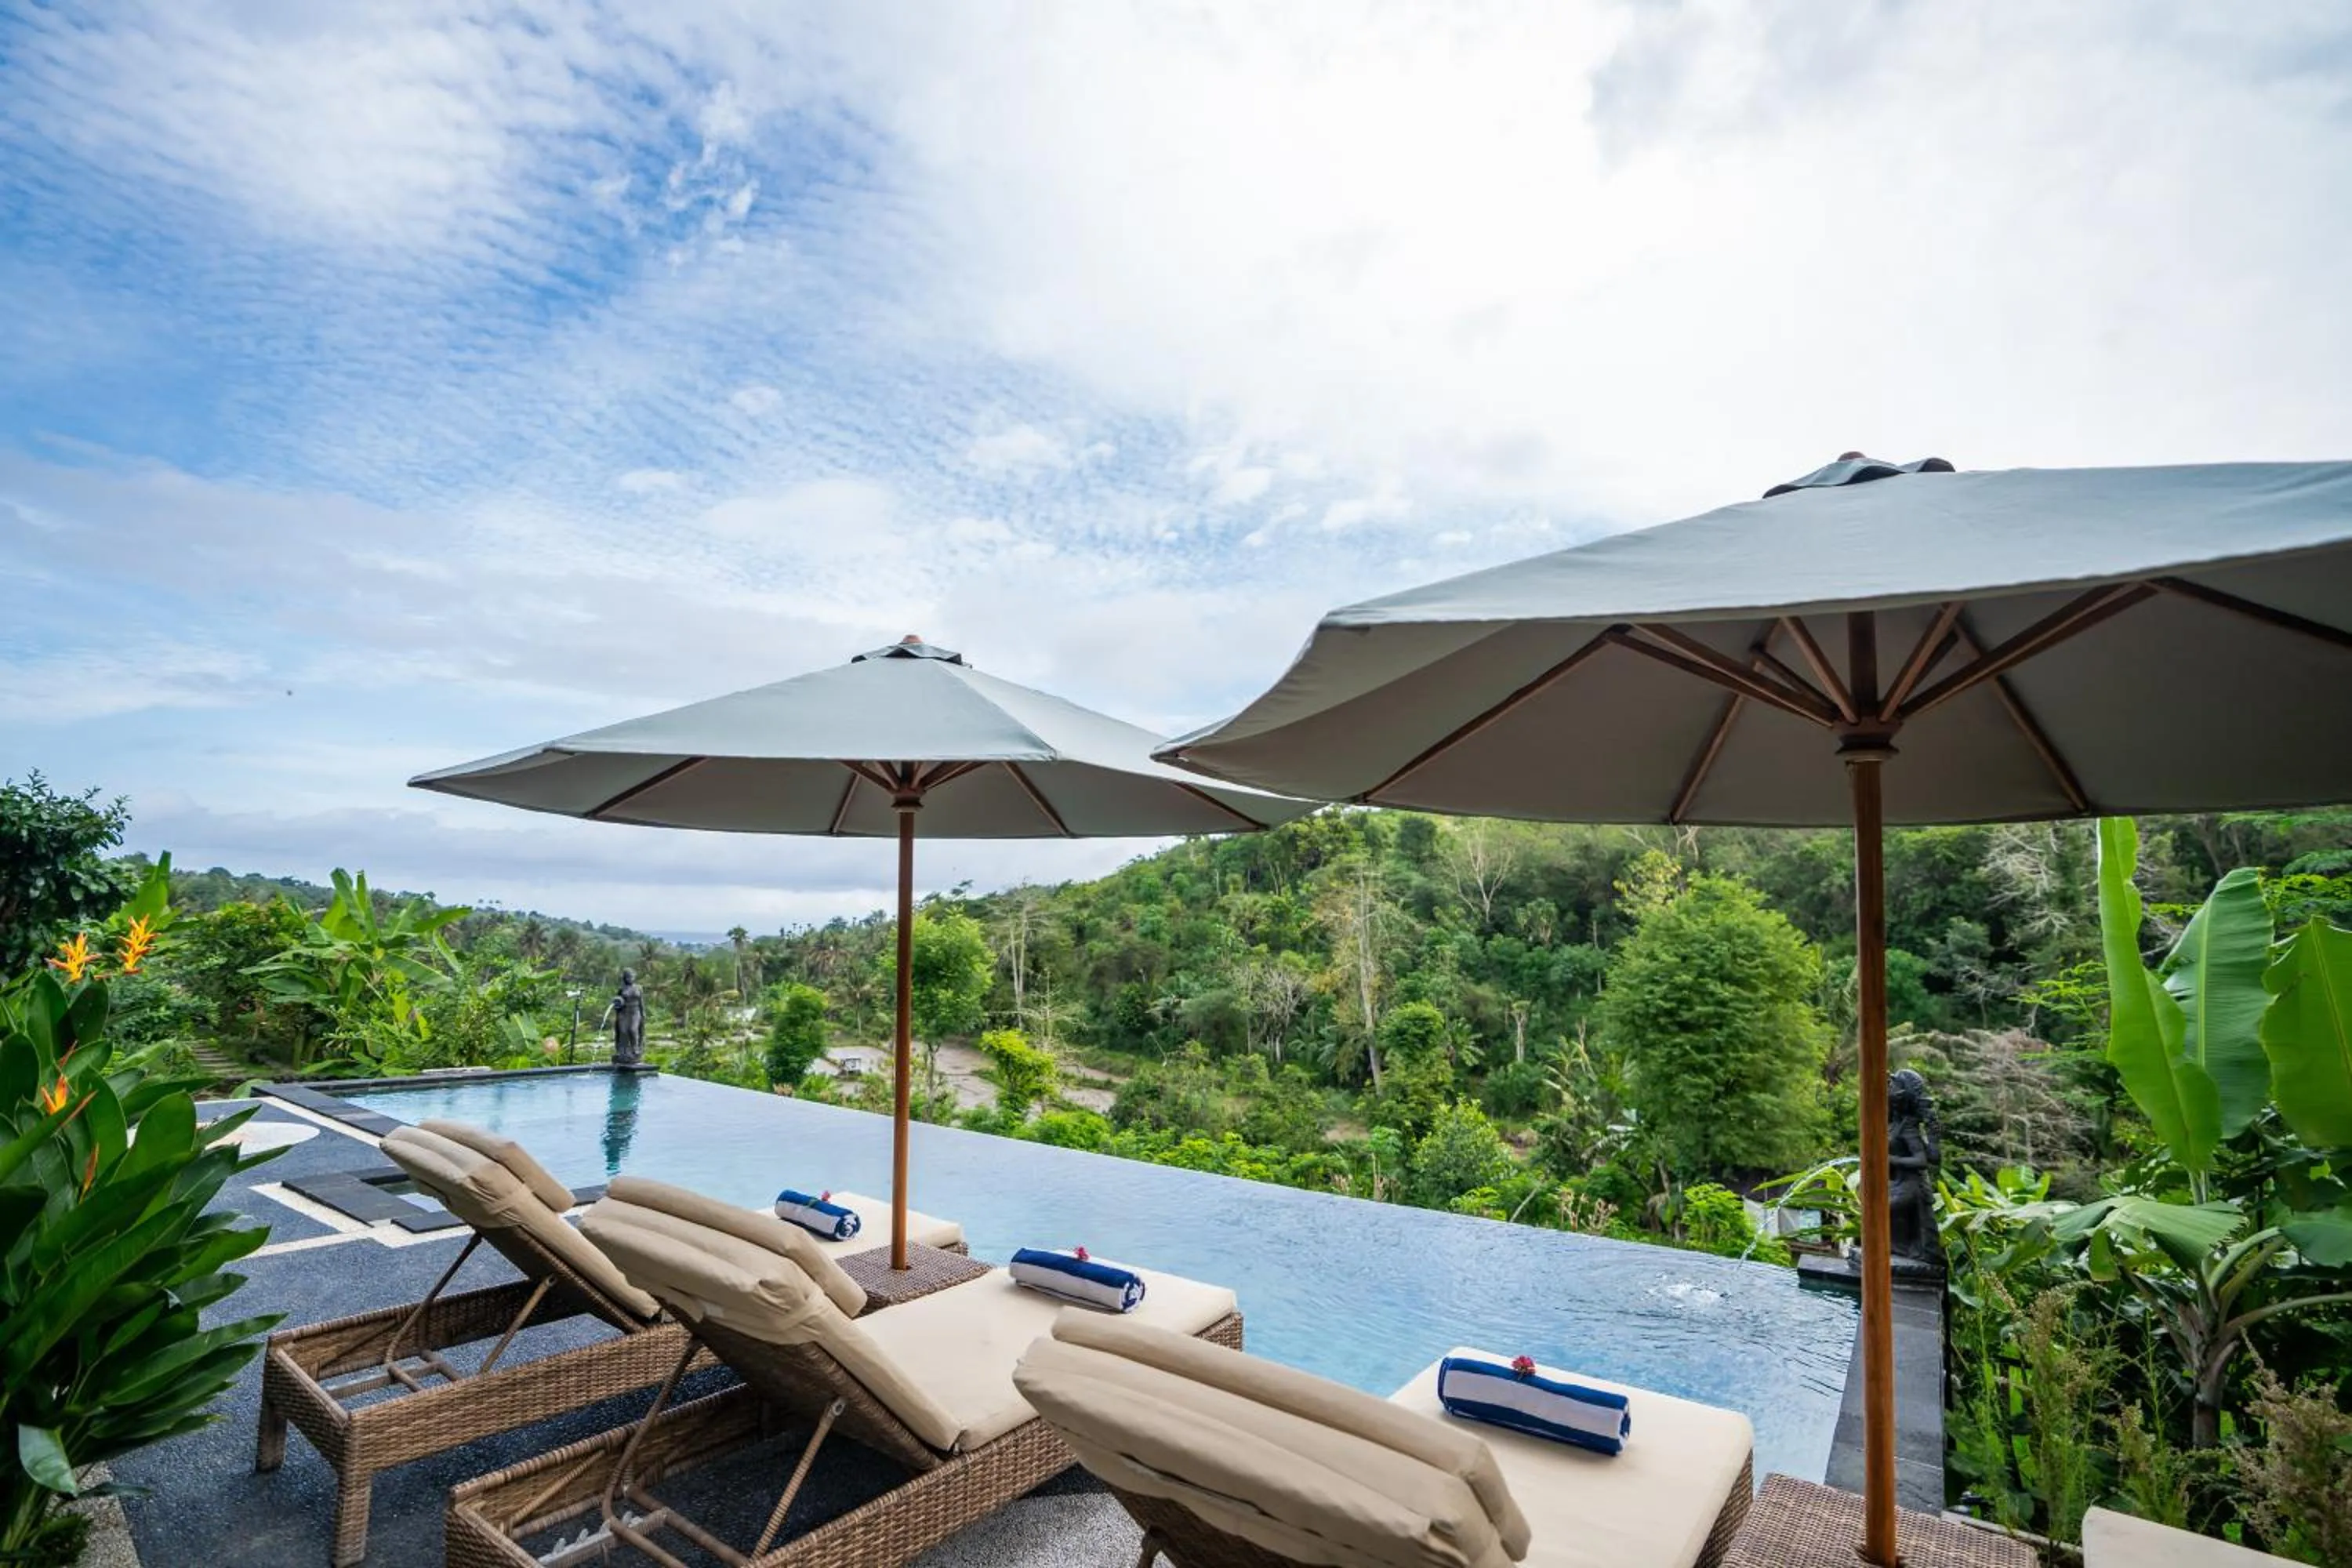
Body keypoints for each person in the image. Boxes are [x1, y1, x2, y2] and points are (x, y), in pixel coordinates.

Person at [1886, 1068, 1943, 1274]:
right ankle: (1896, 1250)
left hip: (1912, 1186)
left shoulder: (1907, 1127)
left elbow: (1922, 1160)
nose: (1889, 1088)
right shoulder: (1894, 1122)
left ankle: (1900, 1253)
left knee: (1883, 1209)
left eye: (1893, 1085)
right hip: (1897, 1183)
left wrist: (1892, 1160)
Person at [604, 968, 646, 1068]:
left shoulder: (639, 988)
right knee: (623, 1031)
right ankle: (623, 1051)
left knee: (633, 1030)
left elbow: (641, 1001)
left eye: (631, 977)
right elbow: (616, 1001)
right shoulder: (622, 989)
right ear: (625, 978)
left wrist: (643, 1013)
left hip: (635, 1012)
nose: (629, 979)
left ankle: (635, 1049)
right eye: (627, 977)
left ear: (634, 977)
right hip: (624, 1012)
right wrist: (617, 1005)